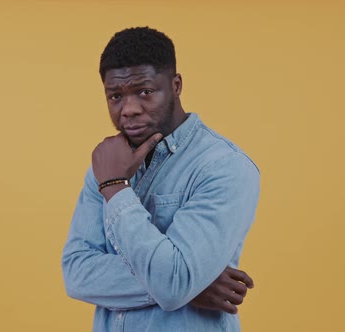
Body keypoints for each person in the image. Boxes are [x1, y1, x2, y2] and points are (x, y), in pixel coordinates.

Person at [62, 26, 260, 331]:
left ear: (176, 85)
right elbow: (76, 273)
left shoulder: (224, 167)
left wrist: (115, 188)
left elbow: (173, 283)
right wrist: (192, 287)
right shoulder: (105, 164)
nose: (128, 109)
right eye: (116, 95)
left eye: (144, 91)